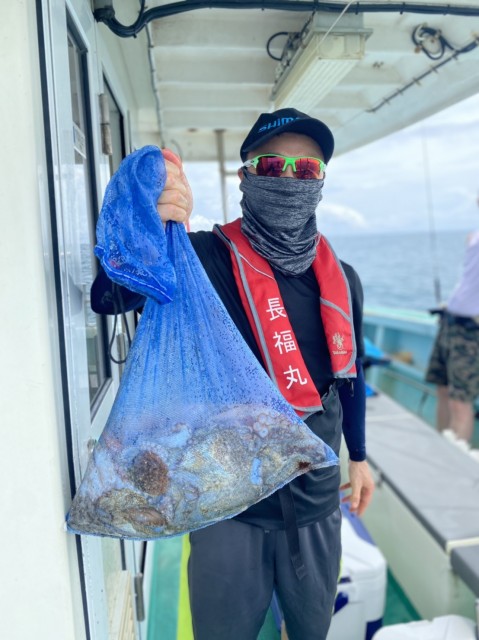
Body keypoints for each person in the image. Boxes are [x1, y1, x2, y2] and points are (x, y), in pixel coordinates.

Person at [92, 108, 374, 640]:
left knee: (312, 630)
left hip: (315, 497)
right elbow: (109, 297)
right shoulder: (200, 258)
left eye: (305, 170)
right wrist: (146, 221)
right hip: (226, 504)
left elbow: (350, 377)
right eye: (271, 166)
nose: (289, 179)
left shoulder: (344, 278)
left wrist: (358, 458)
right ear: (245, 177)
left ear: (320, 183)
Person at [426, 218, 479, 443]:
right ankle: (441, 450)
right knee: (443, 390)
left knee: (460, 401)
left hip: (472, 331)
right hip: (451, 322)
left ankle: (455, 459)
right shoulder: (473, 236)